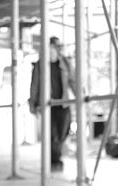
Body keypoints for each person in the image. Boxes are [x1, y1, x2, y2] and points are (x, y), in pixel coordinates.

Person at [29, 36, 75, 171]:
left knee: (63, 132)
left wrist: (81, 97)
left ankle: (55, 158)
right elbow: (35, 85)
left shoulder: (65, 63)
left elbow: (73, 81)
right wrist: (33, 103)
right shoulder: (40, 65)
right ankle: (54, 161)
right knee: (52, 135)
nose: (52, 50)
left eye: (55, 48)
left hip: (63, 104)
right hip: (48, 105)